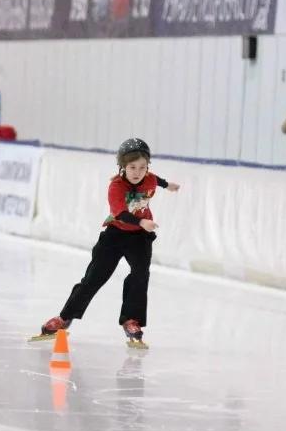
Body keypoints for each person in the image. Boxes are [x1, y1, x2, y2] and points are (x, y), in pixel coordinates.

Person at [36, 138, 181, 349]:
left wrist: (168, 185)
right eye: (132, 167)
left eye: (142, 167)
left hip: (140, 237)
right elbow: (120, 213)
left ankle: (131, 320)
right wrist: (142, 221)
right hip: (115, 235)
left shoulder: (149, 179)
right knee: (94, 277)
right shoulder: (116, 186)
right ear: (122, 166)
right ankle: (64, 318)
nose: (137, 172)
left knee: (140, 276)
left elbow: (155, 180)